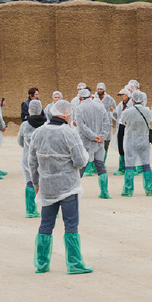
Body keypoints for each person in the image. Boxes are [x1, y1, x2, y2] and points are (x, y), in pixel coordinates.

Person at [27, 99, 93, 274]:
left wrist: (35, 183)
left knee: (46, 224)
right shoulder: (69, 133)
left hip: (47, 186)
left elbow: (32, 162)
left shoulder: (39, 133)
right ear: (66, 114)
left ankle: (41, 264)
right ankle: (74, 264)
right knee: (71, 224)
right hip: (68, 186)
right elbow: (79, 161)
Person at [74, 88, 112, 199]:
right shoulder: (100, 106)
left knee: (81, 166)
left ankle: (75, 192)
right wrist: (101, 136)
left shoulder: (79, 108)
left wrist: (93, 136)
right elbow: (107, 122)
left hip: (86, 142)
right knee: (100, 166)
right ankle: (104, 192)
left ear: (80, 98)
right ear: (91, 96)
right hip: (99, 142)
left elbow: (81, 126)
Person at [119, 90, 152, 197]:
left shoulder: (127, 111)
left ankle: (128, 190)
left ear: (133, 99)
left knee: (129, 165)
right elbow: (150, 120)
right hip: (144, 140)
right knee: (146, 165)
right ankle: (149, 189)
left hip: (131, 140)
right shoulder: (148, 111)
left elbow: (124, 122)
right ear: (143, 99)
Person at [17, 99, 47, 218]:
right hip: (44, 158)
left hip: (28, 158)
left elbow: (20, 141)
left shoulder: (25, 125)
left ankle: (30, 210)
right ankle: (49, 209)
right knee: (46, 183)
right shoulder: (46, 124)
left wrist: (28, 148)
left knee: (30, 182)